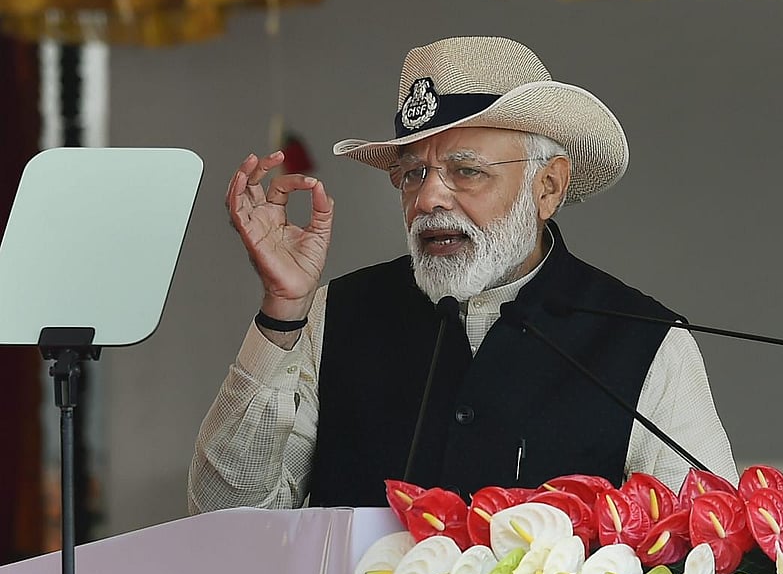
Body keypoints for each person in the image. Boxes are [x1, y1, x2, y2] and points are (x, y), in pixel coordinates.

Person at [188, 36, 737, 514]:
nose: (428, 198)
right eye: (412, 174)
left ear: (547, 188)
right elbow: (226, 517)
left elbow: (708, 552)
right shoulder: (336, 315)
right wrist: (283, 310)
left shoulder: (644, 339)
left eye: (466, 171)